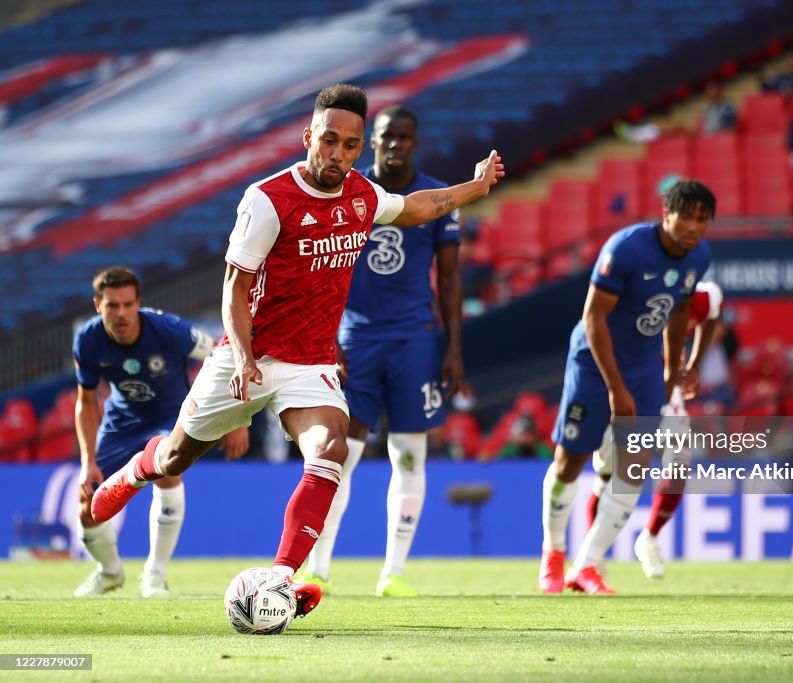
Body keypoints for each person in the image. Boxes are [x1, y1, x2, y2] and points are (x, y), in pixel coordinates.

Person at [90, 83, 503, 620]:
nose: (338, 154)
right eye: (329, 141)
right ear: (308, 137)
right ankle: (135, 468)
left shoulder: (362, 195)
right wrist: (241, 358)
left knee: (330, 450)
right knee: (175, 459)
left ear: (360, 149)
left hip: (310, 364)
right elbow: (234, 289)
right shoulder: (268, 199)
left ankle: (282, 577)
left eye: (350, 146)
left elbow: (417, 207)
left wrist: (474, 187)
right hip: (250, 356)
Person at [296, 105, 464, 598]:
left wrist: (454, 349)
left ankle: (394, 571)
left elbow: (451, 279)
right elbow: (321, 272)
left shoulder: (437, 199)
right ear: (373, 141)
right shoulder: (351, 192)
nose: (396, 144)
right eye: (388, 136)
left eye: (405, 137)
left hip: (415, 340)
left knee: (410, 454)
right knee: (338, 455)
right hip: (354, 339)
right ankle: (317, 568)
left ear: (416, 142)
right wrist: (326, 338)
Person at [539, 180, 714, 595]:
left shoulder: (699, 257)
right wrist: (617, 390)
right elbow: (594, 318)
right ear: (666, 213)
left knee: (633, 468)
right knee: (570, 461)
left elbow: (680, 309)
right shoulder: (626, 249)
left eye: (702, 219)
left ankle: (587, 565)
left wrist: (674, 367)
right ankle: (553, 552)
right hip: (594, 362)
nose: (693, 226)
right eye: (685, 216)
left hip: (643, 367)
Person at [73, 267, 249, 598]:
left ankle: (155, 574)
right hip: (121, 424)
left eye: (128, 304)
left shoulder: (168, 329)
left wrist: (236, 417)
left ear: (138, 302)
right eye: (112, 306)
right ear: (98, 305)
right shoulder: (87, 339)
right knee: (87, 503)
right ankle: (109, 572)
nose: (121, 313)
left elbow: (221, 353)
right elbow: (86, 401)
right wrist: (88, 460)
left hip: (172, 417)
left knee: (167, 471)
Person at [585, 280, 722, 579]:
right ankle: (591, 558)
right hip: (621, 383)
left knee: (680, 460)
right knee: (609, 473)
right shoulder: (631, 290)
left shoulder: (702, 295)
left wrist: (695, 364)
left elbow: (711, 314)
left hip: (663, 385)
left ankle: (649, 537)